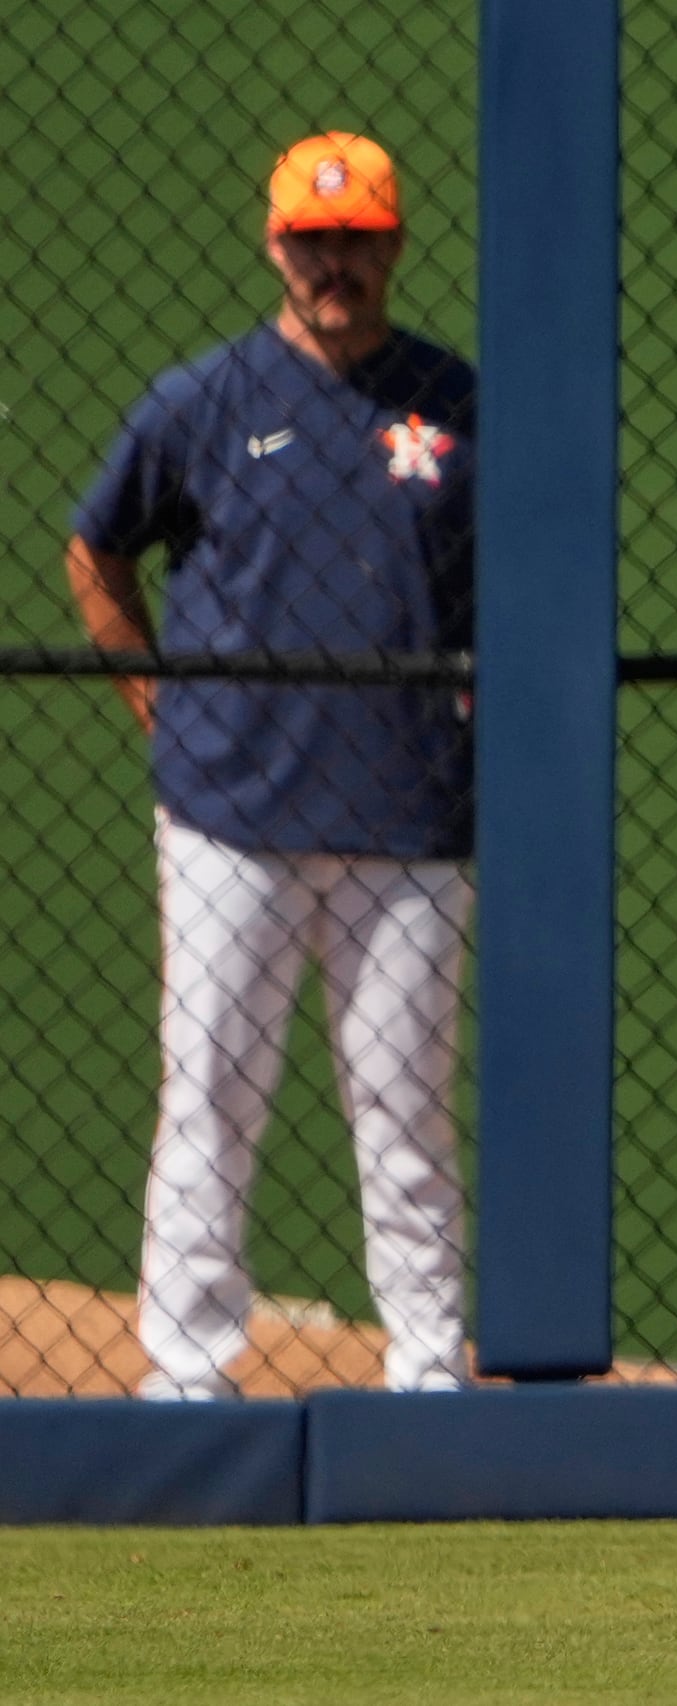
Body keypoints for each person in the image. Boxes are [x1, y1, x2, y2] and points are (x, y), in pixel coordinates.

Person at [64, 133, 477, 1398]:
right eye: (312, 240)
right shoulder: (205, 400)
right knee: (210, 1096)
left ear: (395, 244)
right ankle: (186, 1372)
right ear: (275, 246)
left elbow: (518, 576)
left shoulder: (459, 402)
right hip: (230, 811)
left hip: (409, 817)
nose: (333, 262)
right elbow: (98, 558)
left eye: (356, 239)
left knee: (404, 1111)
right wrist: (163, 710)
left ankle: (427, 1372)